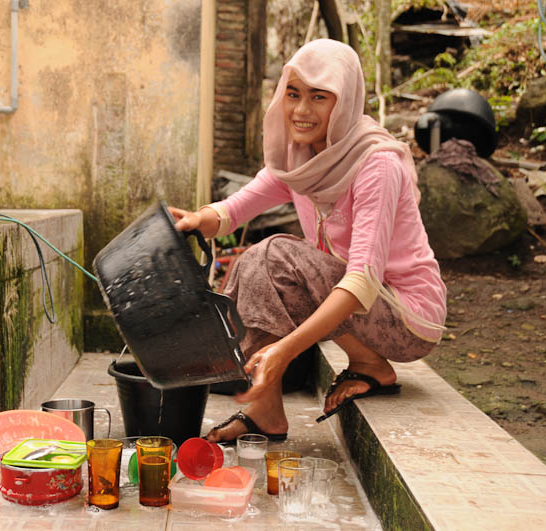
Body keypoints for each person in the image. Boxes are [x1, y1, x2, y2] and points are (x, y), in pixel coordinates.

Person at [169, 39, 447, 444]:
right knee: (253, 263)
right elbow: (240, 205)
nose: (301, 111)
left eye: (319, 97)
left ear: (347, 100)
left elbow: (362, 281)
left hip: (408, 318)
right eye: (293, 94)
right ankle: (266, 409)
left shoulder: (376, 164)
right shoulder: (301, 158)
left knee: (273, 255)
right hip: (358, 301)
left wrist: (286, 349)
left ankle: (367, 360)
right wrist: (201, 219)